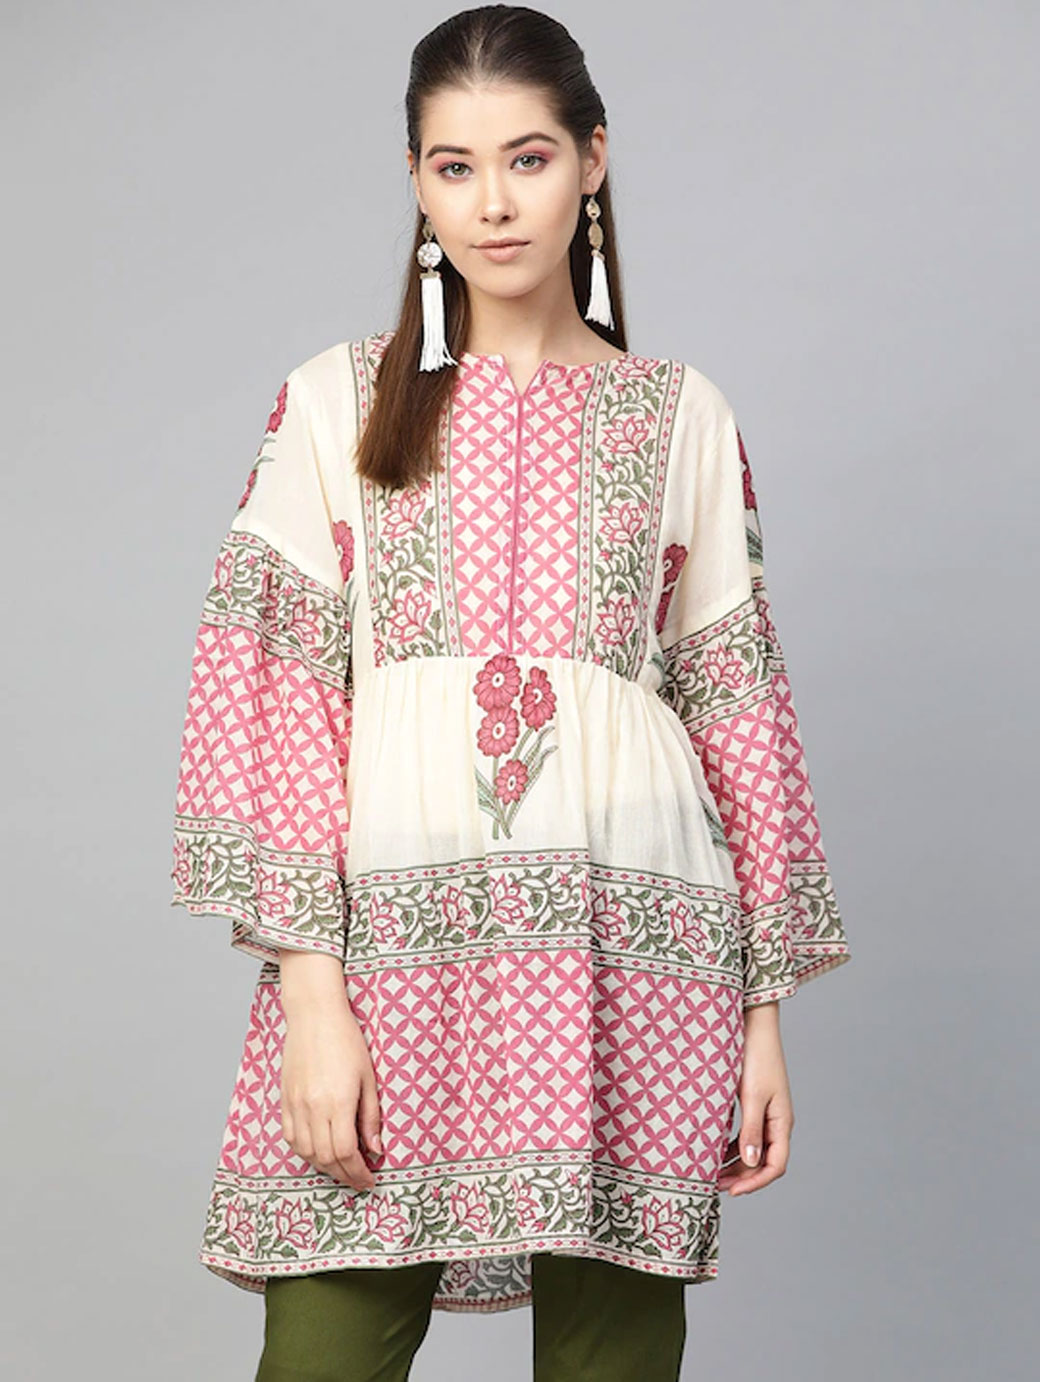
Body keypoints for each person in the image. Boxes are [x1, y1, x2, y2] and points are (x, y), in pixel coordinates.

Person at [168, 6, 852, 1379]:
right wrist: (311, 996)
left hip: (638, 952)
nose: (493, 202)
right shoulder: (337, 403)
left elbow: (736, 707)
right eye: (455, 165)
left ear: (592, 160)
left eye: (528, 159)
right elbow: (284, 699)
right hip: (386, 957)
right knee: (326, 1348)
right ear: (417, 183)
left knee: (610, 1363)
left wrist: (762, 1017)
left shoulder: (682, 416)